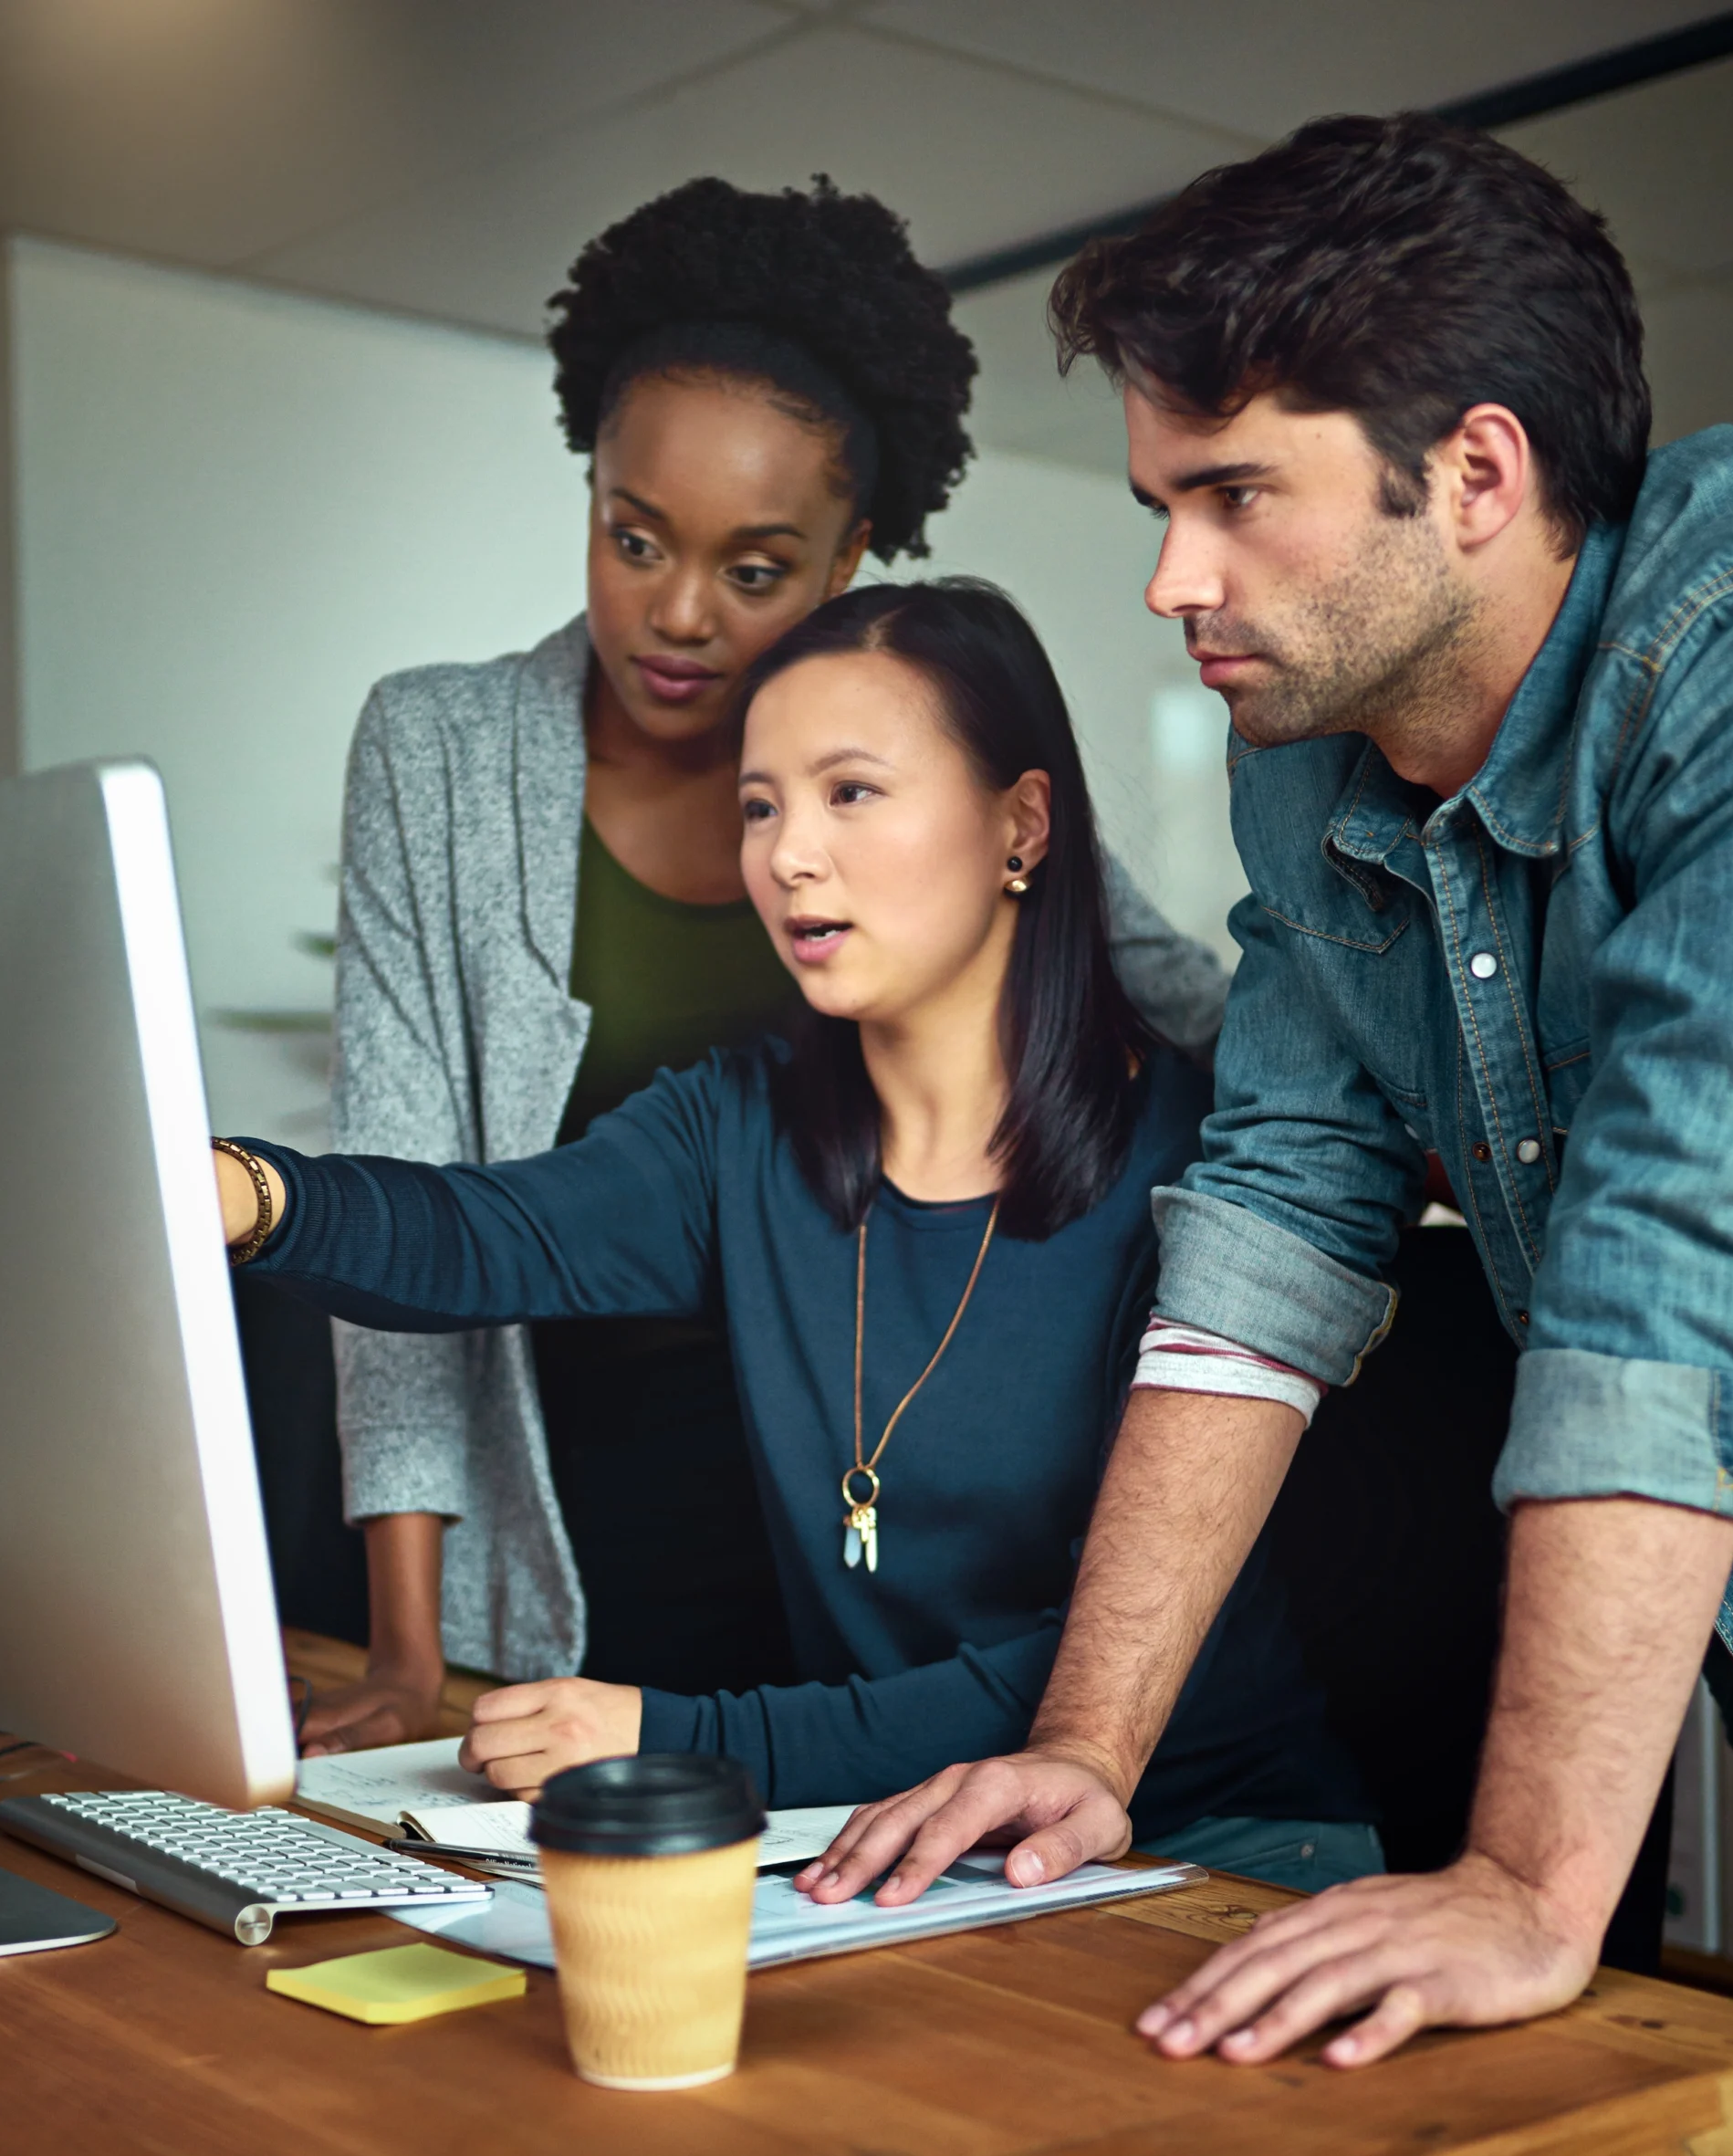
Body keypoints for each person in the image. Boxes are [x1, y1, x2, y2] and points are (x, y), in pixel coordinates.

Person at [807, 114, 1733, 2069]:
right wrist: (1085, 1753)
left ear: (1472, 473)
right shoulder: (1310, 768)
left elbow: (1679, 1246)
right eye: (1154, 504)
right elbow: (1270, 1217)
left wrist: (1522, 1886)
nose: (1171, 575)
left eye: (1232, 495)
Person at [219, 581, 1373, 1884]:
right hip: (898, 1850)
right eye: (759, 805)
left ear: (1022, 824)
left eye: (852, 792)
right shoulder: (741, 1127)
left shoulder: (1204, 1166)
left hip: (1211, 1852)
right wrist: (244, 1194)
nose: (787, 855)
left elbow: (1086, 1676)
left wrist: (676, 1737)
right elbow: (485, 1235)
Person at [308, 178, 1227, 1753]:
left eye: (753, 570)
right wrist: (408, 1649)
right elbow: (432, 1213)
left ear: (847, 555)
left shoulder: (908, 758)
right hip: (582, 1463)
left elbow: (1142, 974)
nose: (675, 617)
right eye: (633, 538)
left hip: (867, 1453)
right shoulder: (444, 751)